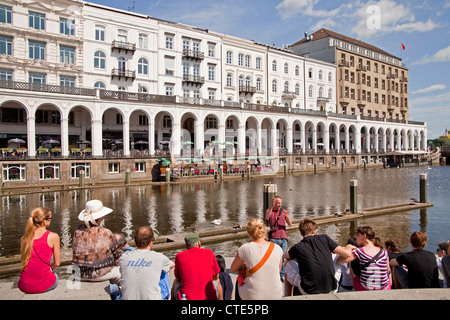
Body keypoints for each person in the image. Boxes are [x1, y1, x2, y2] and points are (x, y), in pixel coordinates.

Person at [285, 218, 353, 295]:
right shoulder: (325, 238)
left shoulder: (297, 247)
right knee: (335, 256)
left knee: (287, 262)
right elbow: (347, 254)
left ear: (301, 233)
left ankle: (289, 295)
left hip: (308, 290)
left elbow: (286, 256)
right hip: (331, 288)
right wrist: (349, 246)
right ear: (315, 231)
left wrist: (297, 258)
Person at [230, 218, 283, 300]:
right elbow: (277, 271)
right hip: (276, 294)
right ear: (264, 231)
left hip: (253, 296)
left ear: (249, 233)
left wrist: (244, 266)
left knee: (239, 279)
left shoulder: (245, 248)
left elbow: (233, 269)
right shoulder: (277, 248)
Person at [72, 200, 121, 286]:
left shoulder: (77, 230)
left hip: (78, 273)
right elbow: (116, 255)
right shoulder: (105, 232)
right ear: (101, 217)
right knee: (123, 276)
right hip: (100, 274)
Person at [119, 226, 174, 300]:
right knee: (164, 271)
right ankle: (167, 297)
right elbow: (172, 264)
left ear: (135, 241)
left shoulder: (124, 258)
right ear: (150, 243)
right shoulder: (159, 257)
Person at [18, 207, 60, 294]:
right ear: (45, 222)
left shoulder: (24, 238)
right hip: (42, 285)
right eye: (50, 218)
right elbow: (57, 263)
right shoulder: (53, 236)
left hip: (23, 285)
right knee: (55, 277)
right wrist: (50, 268)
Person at [337, 226, 391, 291]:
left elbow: (339, 260)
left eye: (357, 235)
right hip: (384, 287)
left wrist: (348, 247)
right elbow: (388, 270)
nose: (356, 237)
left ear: (364, 236)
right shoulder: (384, 251)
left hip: (366, 288)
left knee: (356, 276)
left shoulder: (359, 251)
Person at [172, 232, 222, 300]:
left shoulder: (179, 256)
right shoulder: (209, 252)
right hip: (209, 297)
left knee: (175, 282)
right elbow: (216, 276)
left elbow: (177, 277)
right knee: (218, 281)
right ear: (199, 243)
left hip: (187, 297)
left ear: (186, 246)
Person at [265, 195, 292, 282]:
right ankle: (274, 273)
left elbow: (290, 224)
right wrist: (271, 207)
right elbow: (266, 217)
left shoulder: (284, 211)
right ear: (274, 203)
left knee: (283, 257)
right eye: (278, 203)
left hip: (283, 238)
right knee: (273, 257)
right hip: (273, 238)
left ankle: (282, 274)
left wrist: (287, 216)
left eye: (280, 203)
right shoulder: (270, 211)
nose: (280, 204)